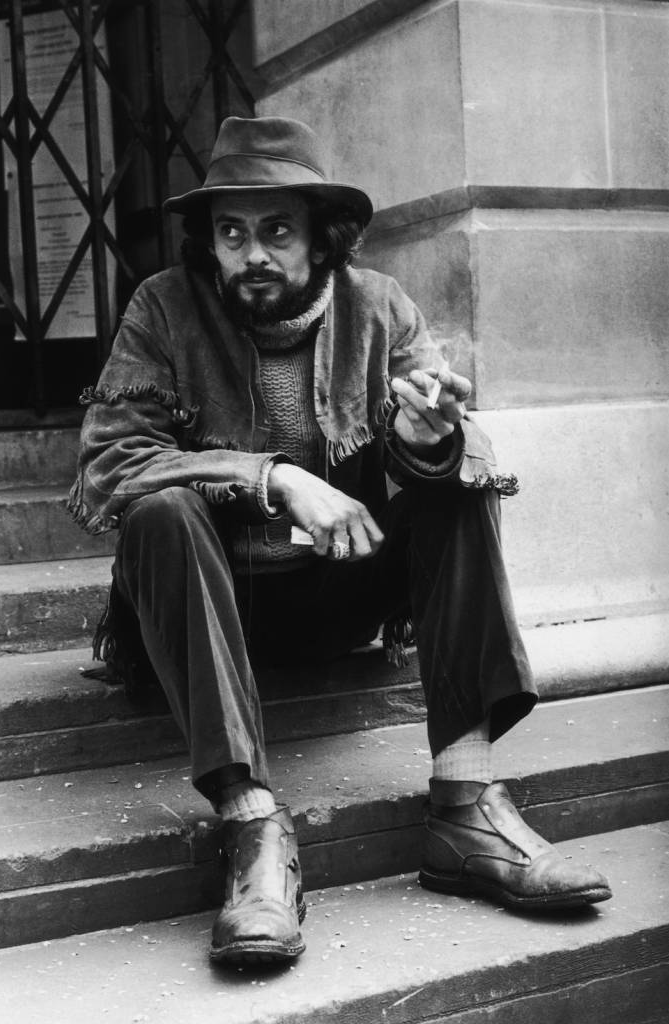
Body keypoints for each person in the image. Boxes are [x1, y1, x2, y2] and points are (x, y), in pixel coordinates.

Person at [69, 115, 611, 966]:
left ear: (323, 236)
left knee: (457, 480)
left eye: (277, 230)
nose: (253, 254)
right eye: (231, 233)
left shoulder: (380, 305)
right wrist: (277, 477)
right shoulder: (161, 308)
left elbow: (439, 433)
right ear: (208, 241)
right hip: (211, 607)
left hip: (337, 594)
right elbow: (108, 468)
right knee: (159, 508)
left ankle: (465, 808)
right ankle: (252, 834)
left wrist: (426, 436)